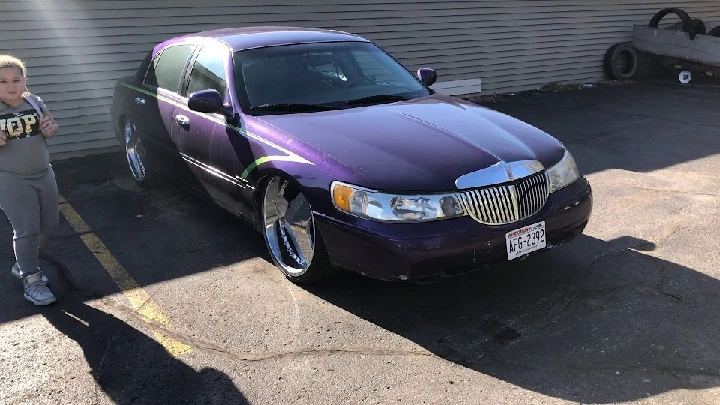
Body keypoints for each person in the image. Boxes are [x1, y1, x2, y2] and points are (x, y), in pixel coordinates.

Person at [0, 54, 59, 305]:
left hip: (44, 173)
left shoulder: (34, 102)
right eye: (2, 82)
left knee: (50, 226)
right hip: (10, 178)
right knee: (26, 230)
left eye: (16, 80)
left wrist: (51, 130)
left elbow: (50, 129)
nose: (11, 86)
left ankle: (24, 263)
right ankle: (31, 280)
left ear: (25, 80)